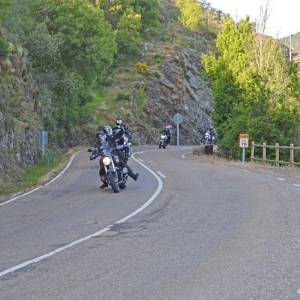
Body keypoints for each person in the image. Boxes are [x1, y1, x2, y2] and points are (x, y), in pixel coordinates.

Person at [96, 125, 139, 189]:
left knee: (122, 164)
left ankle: (133, 176)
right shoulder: (101, 141)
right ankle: (105, 183)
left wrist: (121, 131)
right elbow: (97, 149)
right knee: (101, 169)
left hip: (114, 153)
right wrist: (95, 153)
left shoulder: (111, 138)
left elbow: (117, 135)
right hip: (105, 155)